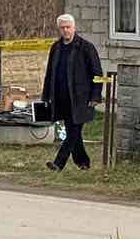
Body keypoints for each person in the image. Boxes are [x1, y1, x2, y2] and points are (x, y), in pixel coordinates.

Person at [42, 12, 103, 172]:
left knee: (73, 132)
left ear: (74, 28)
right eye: (62, 28)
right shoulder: (56, 47)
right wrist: (46, 95)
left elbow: (97, 73)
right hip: (62, 98)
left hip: (81, 98)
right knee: (72, 132)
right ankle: (83, 162)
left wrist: (96, 96)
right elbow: (50, 73)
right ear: (59, 29)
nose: (65, 30)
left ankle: (58, 164)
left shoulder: (85, 47)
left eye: (68, 27)